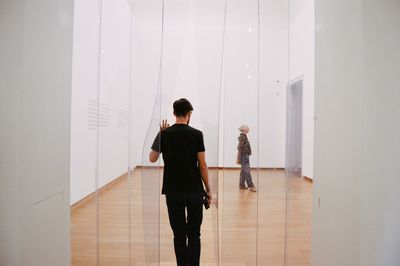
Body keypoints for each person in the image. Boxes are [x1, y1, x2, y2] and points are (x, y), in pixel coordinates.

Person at [149, 98, 212, 266]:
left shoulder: (165, 134)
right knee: (194, 233)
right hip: (194, 190)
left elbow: (152, 158)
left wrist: (161, 134)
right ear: (189, 114)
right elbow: (203, 165)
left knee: (178, 233)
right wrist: (209, 190)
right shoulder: (197, 134)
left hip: (172, 190)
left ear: (174, 113)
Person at [236, 125, 257, 192]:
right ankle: (251, 186)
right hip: (244, 156)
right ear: (244, 129)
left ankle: (241, 185)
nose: (248, 128)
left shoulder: (243, 137)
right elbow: (239, 148)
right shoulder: (243, 137)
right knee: (247, 171)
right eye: (247, 127)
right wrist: (238, 157)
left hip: (244, 156)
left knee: (243, 171)